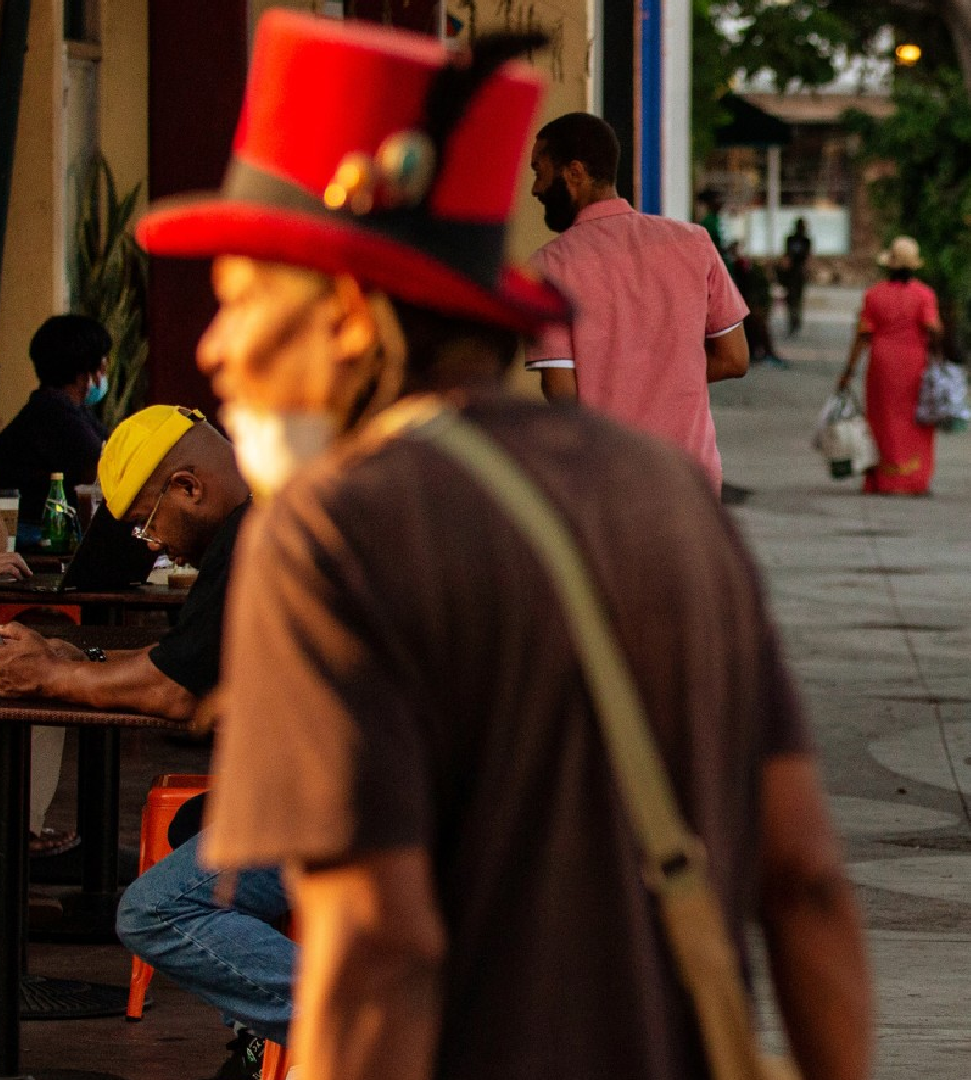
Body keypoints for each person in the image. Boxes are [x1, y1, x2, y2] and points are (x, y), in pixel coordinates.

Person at [134, 14, 871, 1080]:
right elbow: (803, 880)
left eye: (245, 299)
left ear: (347, 312)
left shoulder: (332, 538)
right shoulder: (669, 502)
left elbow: (376, 952)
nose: (216, 346)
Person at [0, 405, 290, 1076]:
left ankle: (386, 1025)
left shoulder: (258, 532)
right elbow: (186, 663)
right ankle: (258, 1039)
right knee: (196, 825)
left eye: (147, 523)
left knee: (156, 911)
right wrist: (71, 666)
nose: (153, 545)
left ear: (189, 487)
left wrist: (54, 674)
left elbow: (174, 690)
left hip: (360, 802)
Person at [526, 113, 750, 492]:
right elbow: (734, 358)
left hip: (607, 484)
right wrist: (664, 374)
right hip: (692, 483)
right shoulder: (693, 243)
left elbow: (561, 393)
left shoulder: (551, 266)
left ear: (575, 172)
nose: (535, 188)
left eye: (540, 172)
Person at [836, 237, 944, 496]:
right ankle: (912, 479)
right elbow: (932, 328)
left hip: (882, 365)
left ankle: (884, 478)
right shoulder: (924, 295)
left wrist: (849, 371)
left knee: (881, 419)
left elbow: (863, 336)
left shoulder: (874, 295)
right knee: (914, 421)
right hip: (913, 364)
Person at [0, 315, 113, 548]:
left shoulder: (70, 409)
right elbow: (104, 468)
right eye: (103, 364)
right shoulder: (52, 412)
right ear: (87, 370)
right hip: (35, 540)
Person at [781, 218, 813, 335]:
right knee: (792, 298)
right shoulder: (792, 239)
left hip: (798, 272)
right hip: (792, 273)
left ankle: (796, 321)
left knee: (797, 298)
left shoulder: (805, 240)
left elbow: (808, 257)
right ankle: (793, 321)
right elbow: (787, 257)